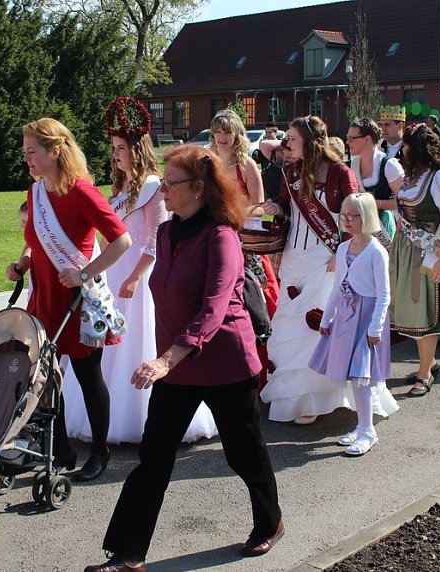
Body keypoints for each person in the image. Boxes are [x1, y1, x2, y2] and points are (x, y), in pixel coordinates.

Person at [85, 144, 283, 572]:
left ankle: (270, 523)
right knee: (153, 458)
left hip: (225, 364)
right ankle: (128, 554)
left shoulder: (223, 236)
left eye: (170, 184)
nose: (162, 193)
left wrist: (166, 359)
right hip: (175, 367)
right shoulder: (166, 233)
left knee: (244, 453)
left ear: (198, 187)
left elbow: (214, 308)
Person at [63, 96, 216, 445]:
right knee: (108, 346)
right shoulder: (120, 189)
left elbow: (156, 239)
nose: (115, 154)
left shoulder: (151, 186)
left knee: (135, 342)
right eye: (113, 148)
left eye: (121, 148)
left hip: (139, 277)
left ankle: (141, 416)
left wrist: (134, 276)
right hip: (113, 274)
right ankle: (104, 413)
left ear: (137, 148)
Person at [7, 118, 131, 482]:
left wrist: (84, 272)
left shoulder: (81, 192)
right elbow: (35, 237)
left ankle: (99, 451)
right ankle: (59, 449)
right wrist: (24, 261)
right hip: (43, 297)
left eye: (32, 152)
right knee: (44, 376)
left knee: (88, 376)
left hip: (77, 302)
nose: (26, 158)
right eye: (26, 152)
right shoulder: (36, 192)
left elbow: (121, 241)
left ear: (55, 150)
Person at [257, 116, 396, 425]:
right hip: (296, 258)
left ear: (310, 141)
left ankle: (323, 398)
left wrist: (342, 251)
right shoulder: (289, 172)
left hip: (328, 256)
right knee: (292, 327)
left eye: (292, 138)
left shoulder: (339, 172)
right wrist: (275, 209)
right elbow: (287, 209)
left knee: (325, 325)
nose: (287, 144)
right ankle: (297, 396)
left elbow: (355, 210)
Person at [308, 194, 396, 456]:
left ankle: (368, 430)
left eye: (352, 216)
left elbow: (384, 293)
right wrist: (327, 318)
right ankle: (362, 427)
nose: (346, 220)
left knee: (362, 376)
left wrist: (375, 327)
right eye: (343, 215)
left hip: (367, 318)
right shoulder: (344, 248)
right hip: (347, 316)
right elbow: (337, 287)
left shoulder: (376, 251)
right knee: (353, 375)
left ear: (366, 217)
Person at [389, 124, 440, 396]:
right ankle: (430, 362)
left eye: (407, 145)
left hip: (428, 252)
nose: (403, 151)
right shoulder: (414, 177)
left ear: (418, 149)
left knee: (425, 313)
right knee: (411, 311)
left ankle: (424, 374)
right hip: (406, 250)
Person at [210, 109, 280, 388]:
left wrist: (230, 212)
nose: (222, 137)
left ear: (237, 134)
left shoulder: (248, 165)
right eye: (218, 131)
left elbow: (261, 207)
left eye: (227, 131)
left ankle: (261, 369)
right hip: (214, 239)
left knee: (254, 301)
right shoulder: (208, 162)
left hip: (244, 243)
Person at [347, 117, 404, 240]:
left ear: (367, 139)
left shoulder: (388, 165)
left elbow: (405, 202)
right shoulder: (349, 166)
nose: (348, 142)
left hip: (382, 230)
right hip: (356, 231)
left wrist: (374, 204)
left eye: (352, 138)